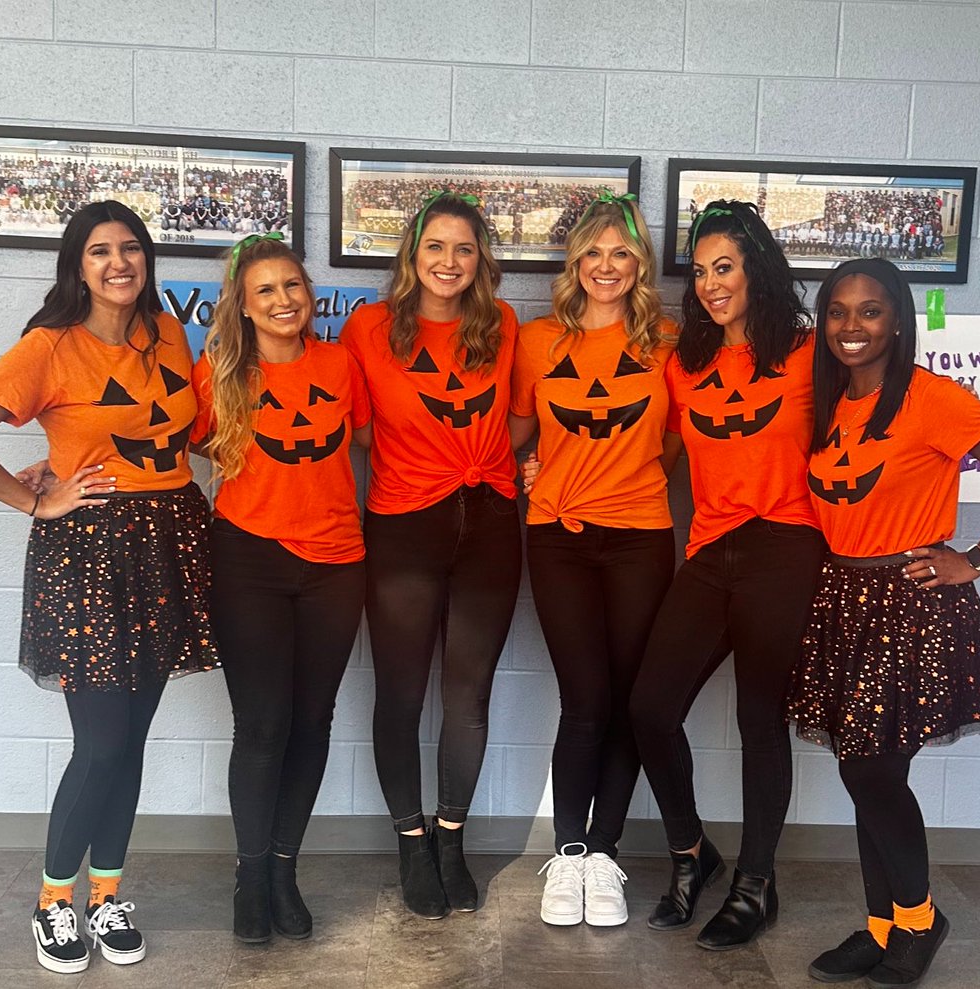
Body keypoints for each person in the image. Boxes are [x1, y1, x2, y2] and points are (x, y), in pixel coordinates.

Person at [0, 201, 219, 975]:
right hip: (90, 555)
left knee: (132, 744)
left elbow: (177, 433)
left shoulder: (169, 335)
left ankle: (106, 893)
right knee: (102, 742)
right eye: (100, 251)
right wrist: (38, 496)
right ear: (77, 266)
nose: (119, 262)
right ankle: (52, 902)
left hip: (170, 543)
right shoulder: (48, 348)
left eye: (131, 248)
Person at [789, 258, 980, 987]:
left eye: (870, 310)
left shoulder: (930, 397)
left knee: (871, 769)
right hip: (843, 597)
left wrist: (975, 557)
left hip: (907, 602)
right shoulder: (827, 403)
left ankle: (918, 916)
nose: (852, 326)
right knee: (866, 772)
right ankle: (883, 927)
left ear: (899, 319)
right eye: (838, 311)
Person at [627, 201, 827, 948]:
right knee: (649, 707)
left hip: (787, 547)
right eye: (702, 270)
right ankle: (692, 853)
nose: (711, 284)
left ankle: (756, 881)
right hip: (710, 550)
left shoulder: (810, 354)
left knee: (758, 718)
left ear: (758, 270)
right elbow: (656, 449)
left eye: (726, 267)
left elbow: (869, 439)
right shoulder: (685, 362)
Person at [338, 191, 522, 919]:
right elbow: (355, 430)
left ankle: (452, 834)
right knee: (402, 693)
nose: (449, 262)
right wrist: (421, 466)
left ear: (482, 261)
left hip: (489, 523)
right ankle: (410, 839)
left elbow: (518, 418)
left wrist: (495, 467)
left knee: (468, 694)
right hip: (402, 524)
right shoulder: (369, 328)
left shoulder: (502, 325)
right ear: (412, 256)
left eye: (464, 249)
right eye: (435, 247)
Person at [190, 234, 371, 943]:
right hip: (248, 562)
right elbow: (176, 445)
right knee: (262, 725)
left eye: (292, 285)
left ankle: (286, 868)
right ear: (243, 303)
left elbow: (379, 443)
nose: (283, 300)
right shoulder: (218, 376)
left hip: (336, 563)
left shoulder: (340, 364)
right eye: (265, 290)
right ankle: (250, 873)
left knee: (312, 721)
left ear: (310, 292)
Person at [509, 193, 677, 927]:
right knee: (584, 700)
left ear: (638, 263)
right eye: (594, 253)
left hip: (641, 533)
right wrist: (527, 469)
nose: (606, 267)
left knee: (629, 702)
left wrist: (631, 473)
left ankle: (605, 855)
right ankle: (569, 852)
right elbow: (517, 429)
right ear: (575, 262)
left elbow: (676, 440)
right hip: (559, 535)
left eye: (621, 253)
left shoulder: (667, 341)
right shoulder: (539, 339)